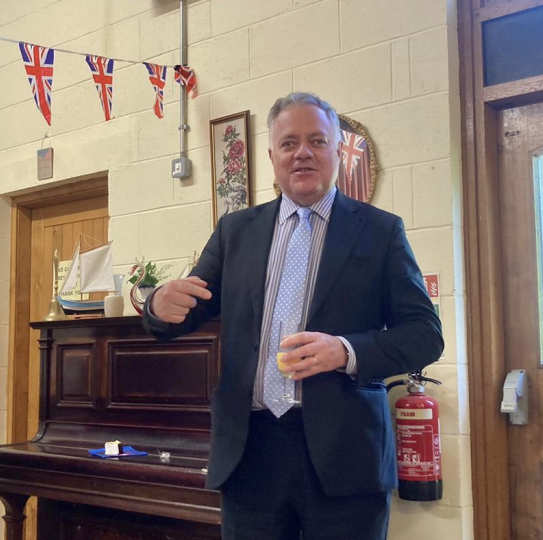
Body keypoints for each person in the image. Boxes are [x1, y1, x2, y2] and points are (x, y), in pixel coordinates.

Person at [143, 92, 443, 540]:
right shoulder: (235, 231)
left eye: (317, 141)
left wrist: (344, 351)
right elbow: (185, 309)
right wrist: (156, 305)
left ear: (337, 152)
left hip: (346, 457)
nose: (302, 152)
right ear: (271, 156)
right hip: (250, 452)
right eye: (288, 143)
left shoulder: (381, 231)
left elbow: (424, 335)